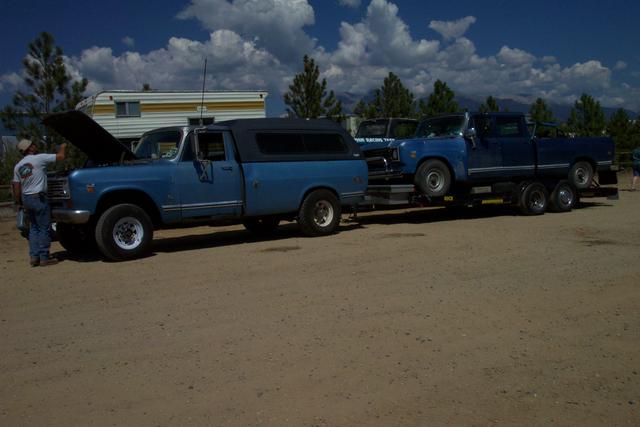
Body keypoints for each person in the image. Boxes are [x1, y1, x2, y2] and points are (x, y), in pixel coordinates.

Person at [12, 139, 66, 266]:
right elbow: (61, 156)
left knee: (34, 228)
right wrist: (63, 146)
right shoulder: (39, 159)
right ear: (29, 149)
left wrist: (19, 202)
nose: (35, 146)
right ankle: (44, 257)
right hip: (39, 198)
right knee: (43, 228)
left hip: (27, 198)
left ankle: (34, 256)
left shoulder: (18, 166)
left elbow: (16, 186)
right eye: (33, 145)